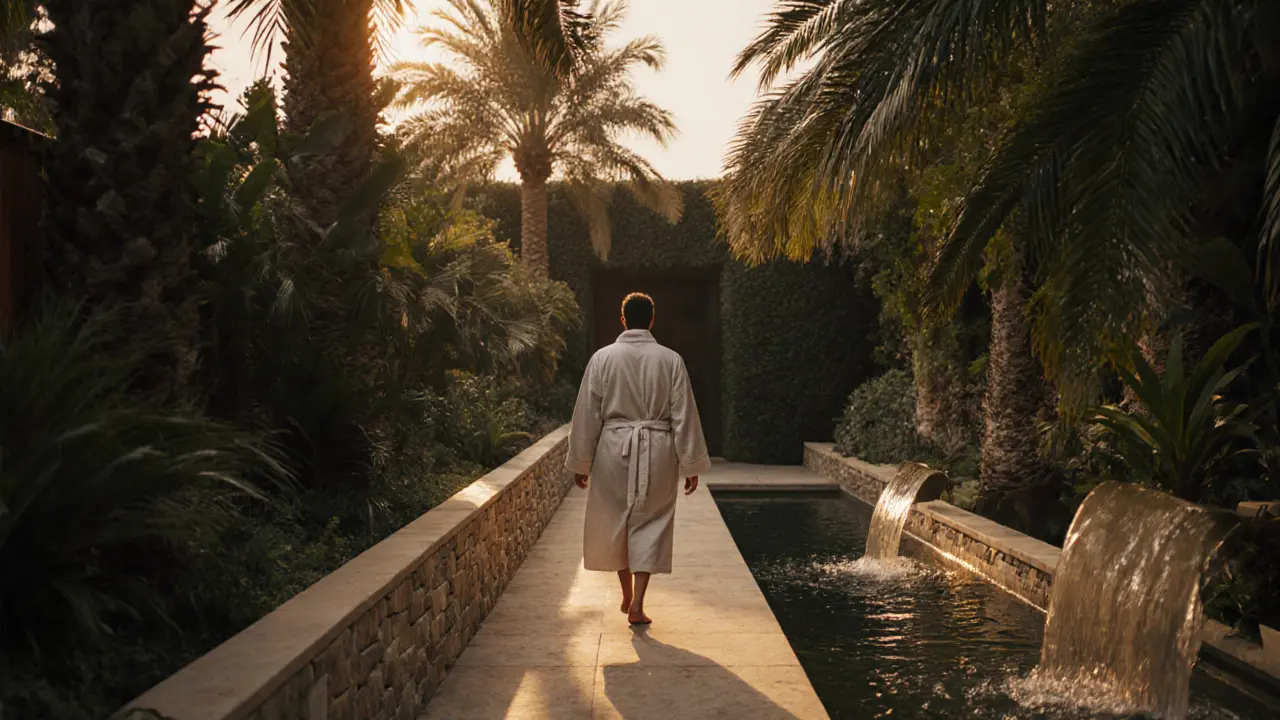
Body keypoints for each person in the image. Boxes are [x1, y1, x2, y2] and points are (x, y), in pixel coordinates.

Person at [565, 292, 712, 625]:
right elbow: (683, 414)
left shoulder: (602, 358)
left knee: (618, 519)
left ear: (622, 319)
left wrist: (581, 462)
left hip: (613, 450)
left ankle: (627, 595)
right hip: (659, 450)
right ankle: (638, 604)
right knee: (651, 523)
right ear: (652, 320)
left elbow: (587, 414)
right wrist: (689, 464)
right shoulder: (671, 359)